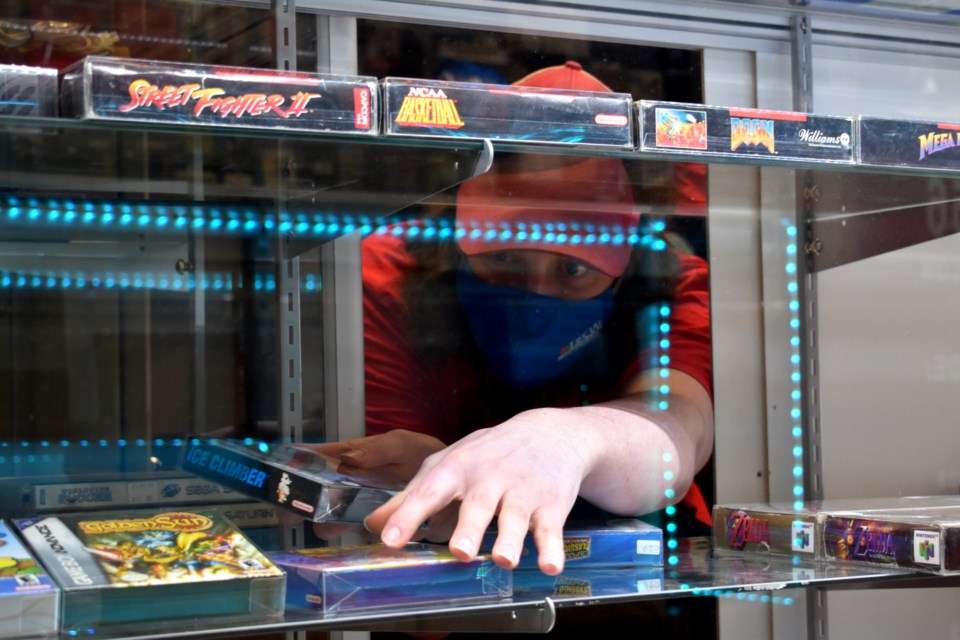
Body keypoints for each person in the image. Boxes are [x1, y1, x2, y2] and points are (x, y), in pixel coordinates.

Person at [312, 62, 713, 576]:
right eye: (503, 259)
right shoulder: (390, 272)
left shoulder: (670, 281)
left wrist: (562, 440)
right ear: (458, 236)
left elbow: (679, 433)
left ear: (628, 261)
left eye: (573, 268)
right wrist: (405, 486)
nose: (536, 294)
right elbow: (396, 547)